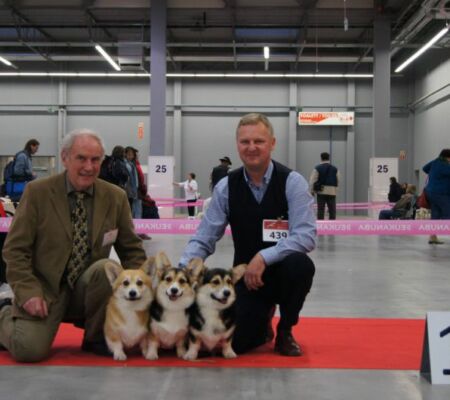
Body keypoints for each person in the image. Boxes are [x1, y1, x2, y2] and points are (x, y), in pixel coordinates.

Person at [0, 129, 147, 362]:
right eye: (81, 158)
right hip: (45, 290)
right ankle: (4, 313)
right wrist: (27, 292)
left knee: (105, 268)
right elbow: (15, 250)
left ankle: (96, 336)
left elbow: (132, 250)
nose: (89, 167)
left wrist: (146, 290)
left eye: (95, 160)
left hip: (88, 290)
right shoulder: (37, 192)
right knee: (29, 350)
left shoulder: (115, 197)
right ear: (65, 158)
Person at [179, 113, 316, 357]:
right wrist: (182, 270)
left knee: (301, 265)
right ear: (237, 145)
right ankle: (262, 323)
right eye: (245, 142)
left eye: (259, 141)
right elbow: (205, 237)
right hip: (247, 280)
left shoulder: (292, 182)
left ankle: (285, 329)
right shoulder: (226, 187)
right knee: (236, 344)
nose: (251, 147)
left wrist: (264, 257)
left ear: (272, 143)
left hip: (283, 273)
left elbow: (306, 236)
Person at [422, 149, 450, 245]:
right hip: (440, 193)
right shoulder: (445, 165)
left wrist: (434, 174)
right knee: (448, 213)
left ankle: (432, 237)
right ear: (447, 157)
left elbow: (424, 168)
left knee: (436, 214)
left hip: (430, 192)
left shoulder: (435, 162)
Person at [309, 152, 339, 220]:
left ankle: (320, 224)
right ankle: (332, 224)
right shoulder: (335, 169)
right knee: (332, 210)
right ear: (329, 158)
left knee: (321, 210)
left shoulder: (317, 168)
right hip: (332, 192)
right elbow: (338, 180)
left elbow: (312, 180)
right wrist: (335, 191)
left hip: (321, 191)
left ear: (321, 158)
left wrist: (312, 191)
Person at [124, 146, 140, 218]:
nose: (131, 156)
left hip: (132, 190)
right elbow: (131, 180)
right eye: (129, 154)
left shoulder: (133, 164)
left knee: (131, 208)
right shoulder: (127, 165)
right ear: (125, 154)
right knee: (128, 208)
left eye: (132, 155)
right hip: (128, 190)